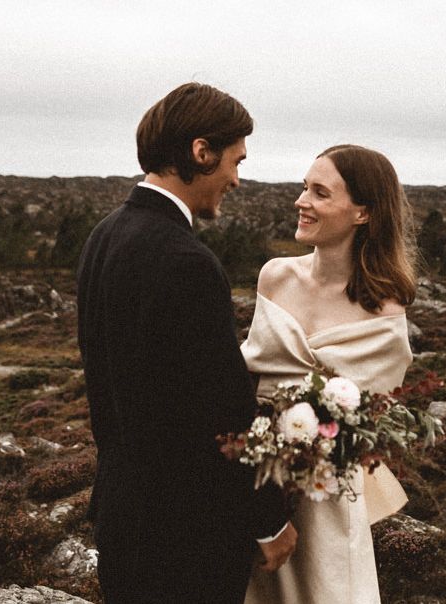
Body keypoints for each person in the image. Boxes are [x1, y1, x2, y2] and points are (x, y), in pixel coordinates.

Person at [77, 83, 296, 604]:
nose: (237, 180)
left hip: (122, 518)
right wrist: (268, 520)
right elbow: (221, 407)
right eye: (234, 162)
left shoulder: (104, 235)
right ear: (201, 152)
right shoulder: (186, 261)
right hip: (185, 535)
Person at [242, 144, 417, 603]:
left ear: (363, 213)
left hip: (326, 495)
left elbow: (373, 422)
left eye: (320, 193)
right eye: (304, 188)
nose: (302, 201)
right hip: (252, 487)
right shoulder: (274, 277)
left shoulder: (384, 312)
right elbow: (247, 380)